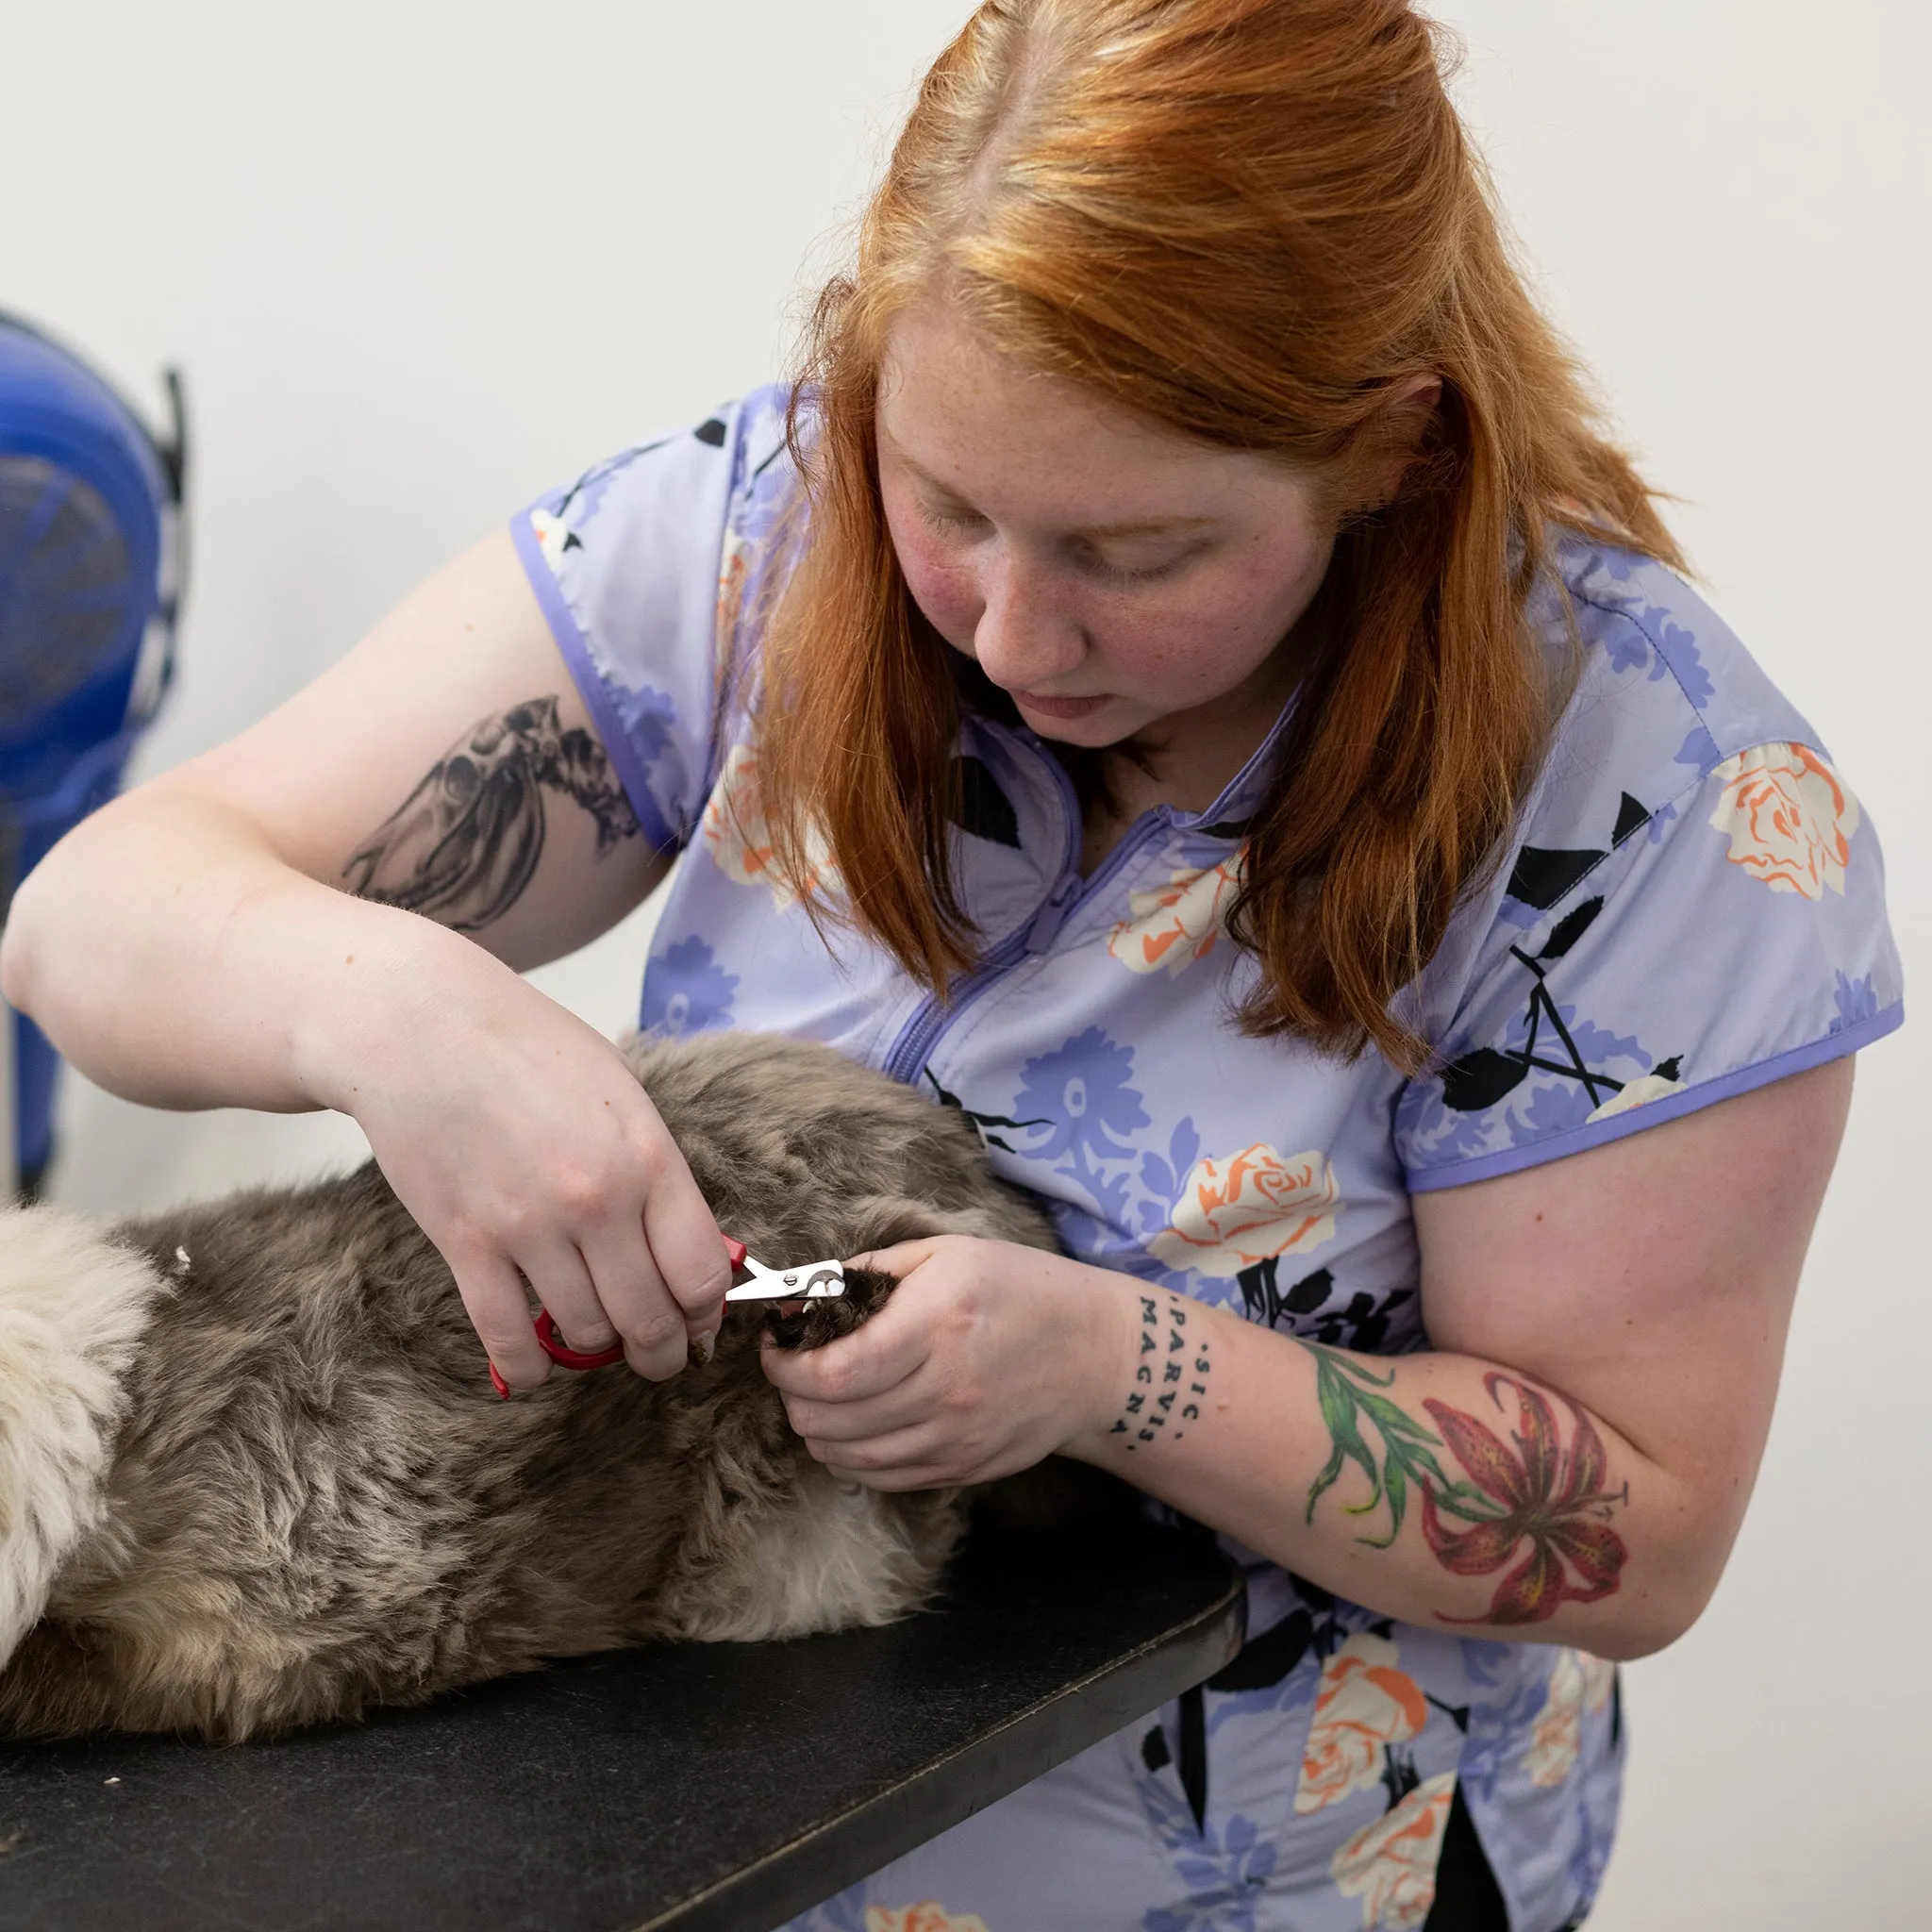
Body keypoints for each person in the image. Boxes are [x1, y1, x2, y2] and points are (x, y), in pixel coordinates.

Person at [1, 0, 1901, 1924]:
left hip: (1278, 1869)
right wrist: (388, 1006)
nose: (1010, 630)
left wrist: (1118, 1365)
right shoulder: (765, 541)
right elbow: (91, 920)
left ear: (1388, 447)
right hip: (740, 1833)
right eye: (951, 505)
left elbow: (1631, 1531)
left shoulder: (1656, 797)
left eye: (1138, 550)